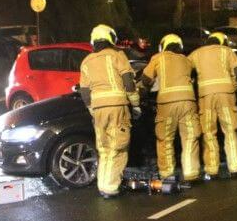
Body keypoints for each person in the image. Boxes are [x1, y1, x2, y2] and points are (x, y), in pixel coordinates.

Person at [78, 24, 142, 198]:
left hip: (98, 110)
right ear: (111, 39)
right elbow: (128, 81)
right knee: (118, 148)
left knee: (104, 148)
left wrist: (92, 109)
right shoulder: (117, 56)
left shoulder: (86, 61)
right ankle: (111, 188)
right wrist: (135, 104)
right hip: (117, 106)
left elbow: (84, 92)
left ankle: (104, 185)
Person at [141, 33, 201, 184]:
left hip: (167, 104)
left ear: (163, 46)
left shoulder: (158, 58)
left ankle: (167, 174)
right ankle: (191, 174)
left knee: (165, 139)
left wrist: (144, 90)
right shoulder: (186, 60)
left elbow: (146, 80)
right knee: (190, 138)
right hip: (188, 103)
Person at [188, 31, 237, 179]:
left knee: (208, 133)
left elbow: (184, 70)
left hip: (206, 97)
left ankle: (212, 171)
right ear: (221, 41)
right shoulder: (227, 51)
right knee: (230, 131)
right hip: (226, 95)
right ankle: (235, 169)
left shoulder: (196, 54)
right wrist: (232, 86)